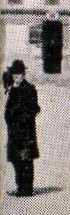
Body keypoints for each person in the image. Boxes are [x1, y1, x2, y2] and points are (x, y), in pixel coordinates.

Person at [5, 61, 40, 197]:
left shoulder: (30, 89)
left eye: (18, 74)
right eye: (14, 74)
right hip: (14, 132)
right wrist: (10, 120)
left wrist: (21, 120)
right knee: (15, 159)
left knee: (26, 160)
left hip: (25, 132)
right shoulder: (13, 89)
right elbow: (8, 110)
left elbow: (34, 109)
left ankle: (27, 188)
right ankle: (20, 187)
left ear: (23, 74)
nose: (16, 77)